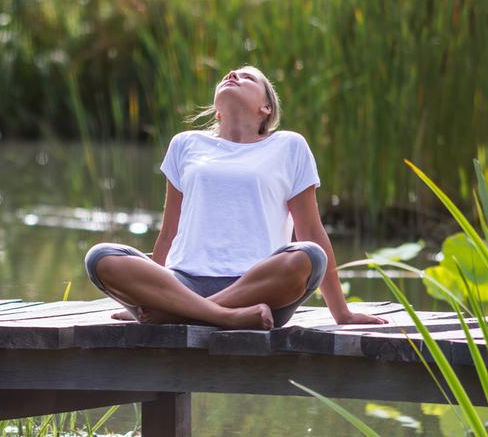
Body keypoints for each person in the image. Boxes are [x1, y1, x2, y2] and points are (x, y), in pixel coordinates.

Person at [84, 66, 387, 329]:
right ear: (217, 110)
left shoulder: (289, 146)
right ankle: (221, 316)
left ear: (266, 108)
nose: (232, 76)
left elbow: (311, 230)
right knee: (101, 258)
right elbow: (169, 232)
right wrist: (150, 290)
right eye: (229, 76)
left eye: (247, 78)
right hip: (184, 283)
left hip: (260, 288)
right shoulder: (185, 144)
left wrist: (342, 314)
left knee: (309, 256)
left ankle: (180, 314)